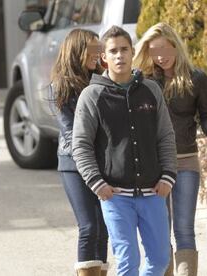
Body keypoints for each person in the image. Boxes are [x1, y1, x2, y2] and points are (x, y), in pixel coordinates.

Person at [72, 25, 177, 275]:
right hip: (116, 196)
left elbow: (165, 135)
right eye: (113, 51)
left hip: (154, 192)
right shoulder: (91, 95)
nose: (119, 55)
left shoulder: (151, 90)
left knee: (160, 260)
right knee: (128, 261)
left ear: (133, 52)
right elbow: (81, 145)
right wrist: (97, 183)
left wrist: (168, 175)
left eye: (124, 49)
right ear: (104, 57)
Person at [133, 22, 207, 276]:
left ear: (176, 46)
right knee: (159, 229)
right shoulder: (142, 81)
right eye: (153, 51)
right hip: (153, 165)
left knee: (184, 228)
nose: (160, 56)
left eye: (165, 49)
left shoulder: (196, 79)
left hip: (185, 161)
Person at [50, 29, 109, 276]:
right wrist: (90, 162)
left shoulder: (101, 81)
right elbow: (69, 131)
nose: (98, 55)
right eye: (94, 50)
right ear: (77, 50)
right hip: (73, 164)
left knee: (103, 228)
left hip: (102, 163)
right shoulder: (61, 86)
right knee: (88, 226)